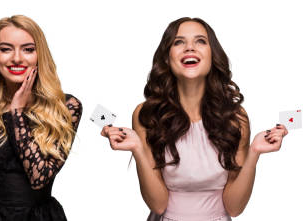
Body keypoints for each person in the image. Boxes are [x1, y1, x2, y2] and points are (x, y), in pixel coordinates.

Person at [101, 17, 287, 220]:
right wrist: (137, 149)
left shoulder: (236, 117)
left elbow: (234, 208)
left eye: (200, 41)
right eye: (178, 42)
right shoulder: (147, 114)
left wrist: (254, 153)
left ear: (212, 55)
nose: (190, 48)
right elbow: (158, 203)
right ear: (167, 57)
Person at [0, 15, 82, 221]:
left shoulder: (65, 107)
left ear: (40, 54)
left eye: (28, 49)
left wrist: (16, 113)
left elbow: (39, 178)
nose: (17, 58)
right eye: (6, 49)